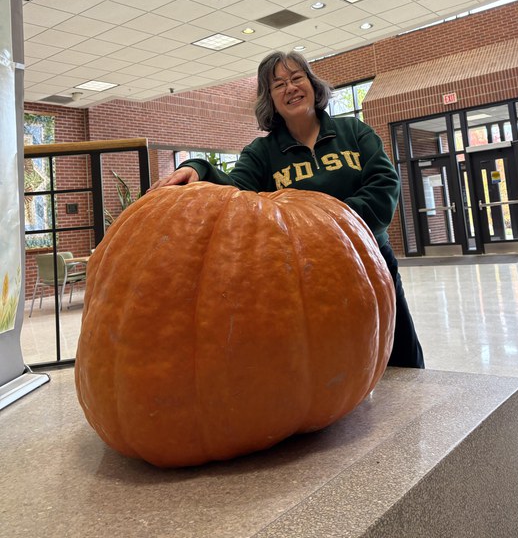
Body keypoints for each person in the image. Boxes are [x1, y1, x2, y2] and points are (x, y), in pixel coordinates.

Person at [150, 50, 424, 368]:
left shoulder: (354, 133)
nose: (290, 88)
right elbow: (234, 192)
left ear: (312, 84)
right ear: (270, 99)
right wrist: (199, 167)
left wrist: (333, 224)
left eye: (296, 78)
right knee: (335, 367)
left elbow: (384, 185)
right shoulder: (262, 153)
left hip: (369, 260)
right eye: (278, 84)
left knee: (402, 359)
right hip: (307, 277)